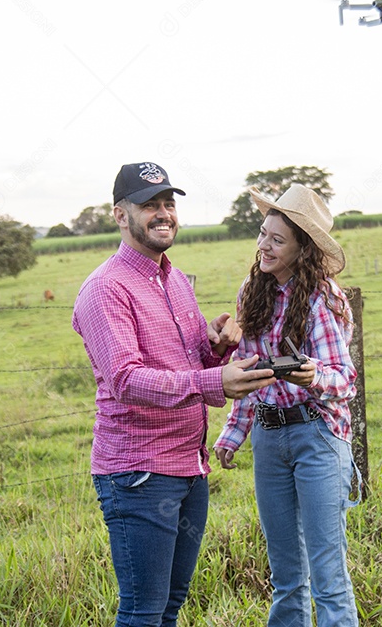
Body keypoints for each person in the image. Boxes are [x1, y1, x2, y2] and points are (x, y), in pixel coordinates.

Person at [73, 161, 276, 627]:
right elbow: (126, 379)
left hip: (189, 466)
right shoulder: (105, 289)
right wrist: (214, 381)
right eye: (150, 205)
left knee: (169, 603)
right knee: (143, 610)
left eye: (169, 203)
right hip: (140, 473)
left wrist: (216, 349)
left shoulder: (176, 280)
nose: (163, 214)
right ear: (121, 215)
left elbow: (191, 365)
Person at [214, 183, 360, 627]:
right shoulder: (252, 290)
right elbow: (249, 368)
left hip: (317, 436)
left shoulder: (322, 297)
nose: (264, 245)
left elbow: (345, 379)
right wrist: (233, 434)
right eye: (263, 234)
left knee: (328, 576)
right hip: (269, 437)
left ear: (302, 249)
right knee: (286, 577)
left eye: (277, 240)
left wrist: (313, 375)